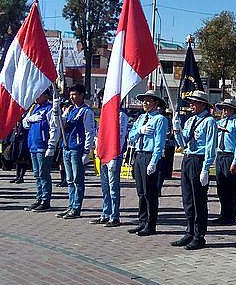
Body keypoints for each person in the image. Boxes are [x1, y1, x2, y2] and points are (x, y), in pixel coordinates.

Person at [173, 90, 217, 250]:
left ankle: (199, 235)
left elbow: (211, 147)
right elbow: (183, 143)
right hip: (187, 159)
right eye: (190, 102)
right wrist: (177, 130)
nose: (191, 105)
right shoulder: (190, 120)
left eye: (194, 102)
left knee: (199, 201)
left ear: (202, 104)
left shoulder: (209, 122)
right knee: (188, 199)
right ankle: (189, 231)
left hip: (199, 161)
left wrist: (206, 168)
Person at [126, 91, 168, 236]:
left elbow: (159, 142)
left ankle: (151, 224)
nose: (145, 103)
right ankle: (142, 222)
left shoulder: (160, 119)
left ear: (156, 103)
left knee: (150, 193)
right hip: (139, 154)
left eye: (148, 100)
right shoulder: (141, 118)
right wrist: (140, 130)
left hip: (150, 155)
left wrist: (154, 161)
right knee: (141, 192)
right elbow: (131, 136)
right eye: (144, 100)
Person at [56, 84, 96, 219]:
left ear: (81, 95)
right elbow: (60, 124)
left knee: (77, 179)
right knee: (69, 179)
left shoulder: (86, 112)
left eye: (75, 95)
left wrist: (86, 152)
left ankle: (76, 207)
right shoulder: (70, 109)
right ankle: (70, 205)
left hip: (77, 149)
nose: (72, 97)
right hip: (66, 146)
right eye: (71, 94)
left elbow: (89, 132)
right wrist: (57, 112)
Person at [93, 105, 129, 227]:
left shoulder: (121, 114)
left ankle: (114, 215)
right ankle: (105, 213)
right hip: (103, 154)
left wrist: (115, 154)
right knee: (105, 187)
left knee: (113, 187)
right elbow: (99, 133)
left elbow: (121, 135)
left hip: (114, 155)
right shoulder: (105, 112)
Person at [22, 89, 57, 212]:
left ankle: (45, 200)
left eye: (39, 95)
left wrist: (51, 145)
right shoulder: (33, 107)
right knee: (37, 174)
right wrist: (28, 119)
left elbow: (54, 127)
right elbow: (25, 124)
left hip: (43, 145)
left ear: (45, 96)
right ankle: (39, 197)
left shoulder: (50, 108)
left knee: (44, 173)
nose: (36, 97)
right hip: (33, 144)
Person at [213, 98, 236, 226]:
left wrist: (235, 161)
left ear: (233, 110)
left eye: (227, 108)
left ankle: (231, 215)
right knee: (221, 187)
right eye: (223, 108)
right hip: (220, 155)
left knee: (230, 187)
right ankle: (223, 214)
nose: (224, 111)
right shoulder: (219, 122)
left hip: (230, 156)